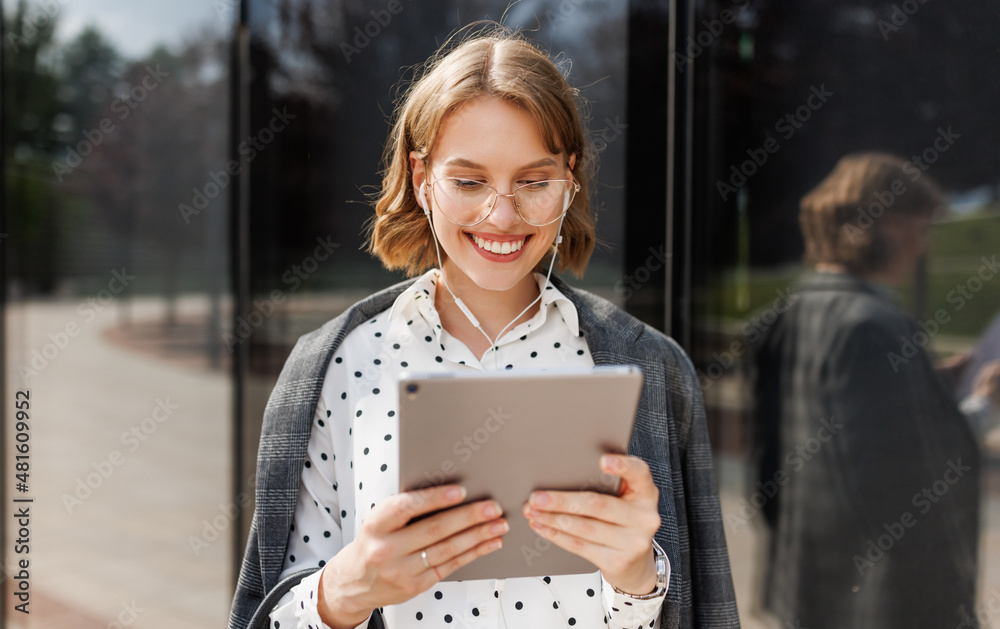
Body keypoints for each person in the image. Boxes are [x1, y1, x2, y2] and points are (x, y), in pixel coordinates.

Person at [229, 25, 739, 629]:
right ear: (421, 179)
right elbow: (271, 612)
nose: (501, 214)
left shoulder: (653, 368)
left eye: (534, 181)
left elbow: (704, 612)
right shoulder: (332, 366)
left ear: (570, 178)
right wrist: (343, 591)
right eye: (468, 182)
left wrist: (639, 580)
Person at [751, 152, 999, 629]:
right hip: (877, 608)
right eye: (922, 228)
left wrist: (930, 388)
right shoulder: (874, 328)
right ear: (888, 225)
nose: (924, 248)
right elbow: (907, 477)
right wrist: (986, 406)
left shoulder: (789, 316)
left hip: (809, 590)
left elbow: (778, 463)